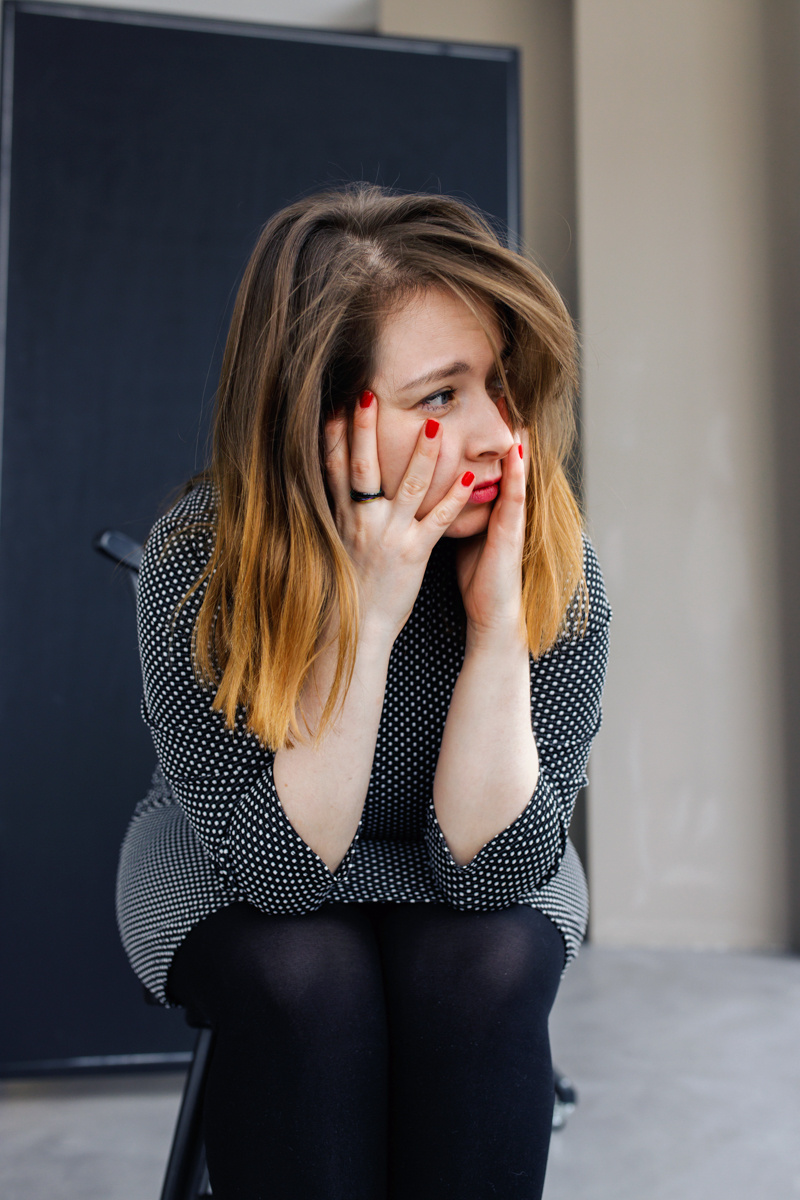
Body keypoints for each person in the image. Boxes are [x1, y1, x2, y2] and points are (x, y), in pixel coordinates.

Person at [116, 183, 610, 1200]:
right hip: (240, 857)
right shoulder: (204, 560)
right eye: (440, 398)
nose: (496, 435)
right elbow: (277, 876)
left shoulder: (552, 559)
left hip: (471, 854)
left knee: (487, 963)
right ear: (324, 419)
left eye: (497, 384)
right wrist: (370, 618)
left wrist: (495, 629)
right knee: (304, 974)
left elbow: (497, 872)